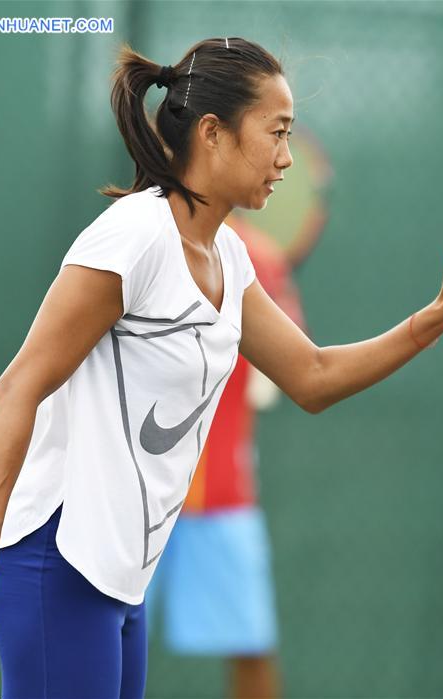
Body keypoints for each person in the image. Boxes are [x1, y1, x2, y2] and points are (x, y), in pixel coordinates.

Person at [0, 37, 443, 699]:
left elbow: (312, 376)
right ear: (212, 133)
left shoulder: (229, 258)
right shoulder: (134, 237)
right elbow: (17, 386)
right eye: (275, 134)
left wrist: (442, 313)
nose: (285, 159)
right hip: (57, 560)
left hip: (121, 576)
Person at [147, 218, 304, 699]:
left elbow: (279, 378)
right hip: (137, 497)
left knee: (252, 646)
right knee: (107, 635)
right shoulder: (136, 239)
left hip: (222, 494)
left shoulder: (257, 258)